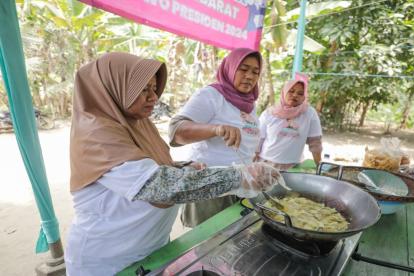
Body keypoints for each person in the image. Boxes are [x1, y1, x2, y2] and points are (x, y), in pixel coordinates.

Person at [64, 52, 281, 275]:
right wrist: (240, 176)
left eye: (153, 88)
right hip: (107, 260)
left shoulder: (138, 123)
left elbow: (148, 166)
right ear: (115, 88)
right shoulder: (97, 133)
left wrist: (182, 167)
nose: (154, 97)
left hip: (149, 248)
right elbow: (160, 186)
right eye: (143, 89)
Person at [169, 48, 262, 227]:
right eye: (243, 69)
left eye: (255, 72)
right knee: (205, 245)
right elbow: (176, 131)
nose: (250, 76)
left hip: (240, 187)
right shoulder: (211, 95)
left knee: (231, 241)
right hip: (210, 187)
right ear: (230, 68)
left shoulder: (250, 104)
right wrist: (216, 129)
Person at [255, 76, 323, 170]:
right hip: (266, 164)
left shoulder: (309, 113)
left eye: (300, 93)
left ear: (304, 97)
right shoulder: (269, 113)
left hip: (293, 166)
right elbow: (258, 140)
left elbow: (315, 142)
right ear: (284, 92)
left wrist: (319, 166)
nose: (295, 95)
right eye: (291, 91)